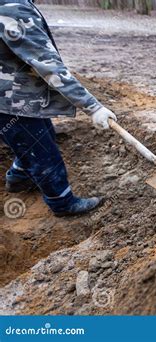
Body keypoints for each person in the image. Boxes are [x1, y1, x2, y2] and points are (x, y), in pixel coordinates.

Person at [0, 0, 117, 216]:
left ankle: (18, 177)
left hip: (14, 96)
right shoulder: (12, 9)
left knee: (37, 138)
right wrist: (92, 107)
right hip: (10, 102)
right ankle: (63, 203)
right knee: (44, 154)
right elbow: (48, 64)